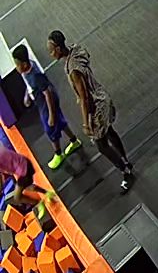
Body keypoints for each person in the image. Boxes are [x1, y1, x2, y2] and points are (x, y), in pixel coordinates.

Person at [46, 31, 135, 192]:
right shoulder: (76, 50)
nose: (50, 54)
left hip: (96, 107)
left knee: (101, 145)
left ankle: (126, 172)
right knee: (110, 132)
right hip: (102, 96)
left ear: (58, 49)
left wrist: (86, 123)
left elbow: (84, 97)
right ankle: (126, 161)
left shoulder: (73, 70)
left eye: (51, 50)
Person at [11, 44, 81, 169]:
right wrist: (27, 96)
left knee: (50, 128)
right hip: (41, 100)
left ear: (24, 64)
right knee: (60, 121)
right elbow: (30, 84)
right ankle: (74, 141)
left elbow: (47, 94)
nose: (16, 68)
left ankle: (58, 154)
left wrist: (51, 115)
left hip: (47, 102)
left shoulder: (36, 75)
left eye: (17, 64)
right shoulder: (27, 70)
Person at [0, 144, 53, 220]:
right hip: (25, 163)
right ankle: (47, 193)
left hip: (24, 170)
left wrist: (1, 189)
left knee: (17, 197)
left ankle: (38, 203)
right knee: (28, 187)